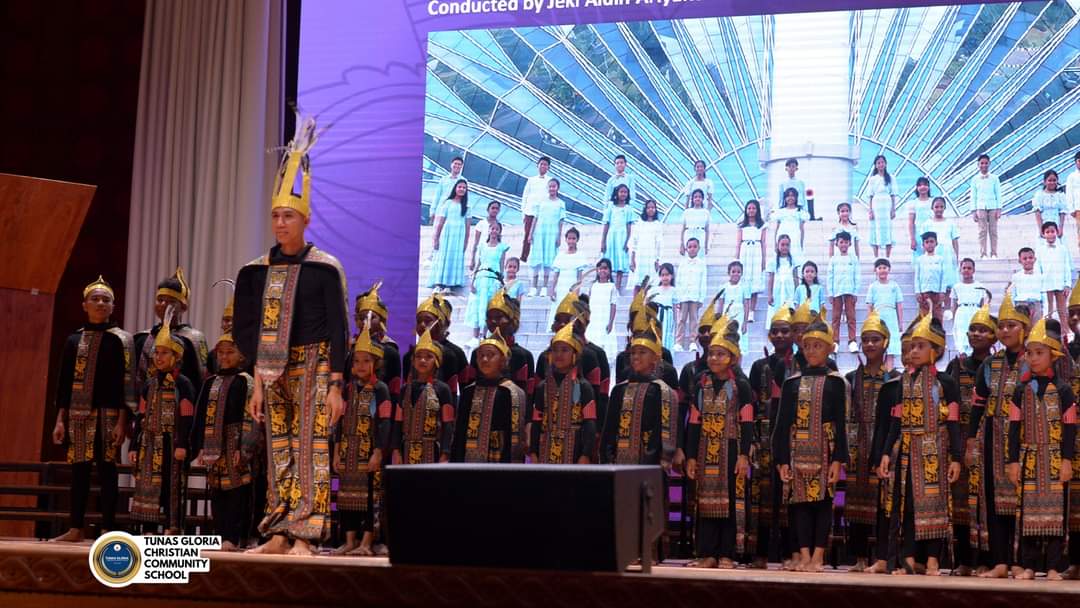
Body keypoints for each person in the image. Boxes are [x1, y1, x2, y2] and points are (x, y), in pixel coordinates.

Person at [232, 121, 350, 555]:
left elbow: (339, 328)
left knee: (312, 451)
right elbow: (247, 329)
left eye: (289, 216)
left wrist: (337, 387)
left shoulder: (324, 267)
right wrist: (258, 381)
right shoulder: (256, 271)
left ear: (306, 219)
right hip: (271, 367)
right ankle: (279, 530)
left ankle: (306, 533)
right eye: (276, 216)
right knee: (278, 449)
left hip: (316, 364)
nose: (281, 223)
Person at [49, 276, 133, 542]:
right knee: (80, 471)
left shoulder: (122, 340)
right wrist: (59, 420)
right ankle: (75, 528)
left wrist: (123, 421)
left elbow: (128, 383)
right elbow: (63, 384)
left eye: (105, 300)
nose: (100, 303)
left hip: (110, 415)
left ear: (113, 306)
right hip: (78, 415)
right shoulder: (74, 340)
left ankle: (108, 529)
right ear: (84, 304)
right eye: (95, 299)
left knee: (108, 471)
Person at [878, 315, 963, 576]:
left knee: (934, 504)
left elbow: (953, 422)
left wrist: (956, 457)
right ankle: (909, 557)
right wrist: (885, 453)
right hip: (906, 450)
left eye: (920, 347)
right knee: (908, 505)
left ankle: (934, 559)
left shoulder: (946, 383)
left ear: (935, 351)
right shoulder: (904, 382)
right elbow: (895, 420)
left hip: (935, 450)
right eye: (911, 347)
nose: (913, 352)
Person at [772, 316, 848, 572]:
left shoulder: (837, 382)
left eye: (818, 346)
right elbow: (782, 425)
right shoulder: (792, 382)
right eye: (808, 346)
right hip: (796, 450)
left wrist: (838, 459)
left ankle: (818, 555)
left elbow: (843, 423)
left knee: (823, 504)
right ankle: (804, 554)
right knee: (800, 505)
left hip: (825, 450)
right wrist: (782, 460)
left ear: (829, 349)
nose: (812, 351)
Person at [1006, 318, 1076, 580]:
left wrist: (1067, 460)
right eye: (1030, 353)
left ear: (1053, 356)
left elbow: (1070, 429)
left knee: (1056, 514)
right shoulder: (1020, 391)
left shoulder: (1064, 391)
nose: (1033, 359)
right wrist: (1012, 461)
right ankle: (1028, 565)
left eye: (1040, 353)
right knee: (1027, 513)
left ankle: (1054, 566)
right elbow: (1014, 429)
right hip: (1030, 457)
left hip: (1055, 457)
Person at [967, 293, 1031, 578]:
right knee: (994, 501)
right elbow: (978, 405)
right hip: (992, 437)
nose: (1005, 331)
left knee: (1022, 501)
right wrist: (970, 442)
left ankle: (1021, 561)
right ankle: (1000, 562)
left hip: (1026, 438)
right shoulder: (990, 365)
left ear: (1025, 329)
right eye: (1002, 326)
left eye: (1011, 326)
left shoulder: (1034, 360)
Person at [684, 315, 755, 568]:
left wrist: (744, 455)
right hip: (704, 449)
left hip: (731, 449)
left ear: (732, 358)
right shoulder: (701, 384)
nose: (714, 359)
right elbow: (693, 421)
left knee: (730, 502)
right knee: (704, 501)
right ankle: (707, 553)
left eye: (720, 354)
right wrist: (690, 455)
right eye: (711, 354)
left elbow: (747, 422)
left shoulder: (741, 386)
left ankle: (727, 553)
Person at [129, 315, 196, 534]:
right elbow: (140, 416)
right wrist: (133, 446)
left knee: (171, 486)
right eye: (156, 353)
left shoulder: (183, 384)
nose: (159, 357)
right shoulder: (149, 384)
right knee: (147, 486)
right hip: (148, 443)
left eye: (165, 352)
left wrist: (182, 444)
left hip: (171, 442)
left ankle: (171, 526)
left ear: (176, 356)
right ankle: (148, 528)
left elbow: (186, 416)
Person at [945, 302, 998, 576]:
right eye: (972, 330)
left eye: (983, 330)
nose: (976, 334)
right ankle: (965, 559)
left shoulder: (996, 367)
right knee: (962, 503)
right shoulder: (957, 365)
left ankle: (988, 561)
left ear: (994, 336)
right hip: (961, 441)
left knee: (986, 502)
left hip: (989, 441)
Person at [191, 327, 256, 551]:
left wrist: (244, 447)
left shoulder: (245, 381)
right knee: (217, 491)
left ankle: (234, 537)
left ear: (241, 356)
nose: (225, 357)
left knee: (237, 492)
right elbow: (200, 417)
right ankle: (220, 535)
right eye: (221, 353)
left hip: (234, 442)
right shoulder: (210, 382)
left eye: (230, 352)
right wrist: (199, 447)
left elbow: (249, 415)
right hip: (212, 442)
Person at [845, 311, 900, 573]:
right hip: (858, 446)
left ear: (886, 342)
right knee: (856, 503)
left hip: (884, 447)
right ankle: (858, 558)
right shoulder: (851, 379)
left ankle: (882, 556)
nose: (869, 344)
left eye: (875, 339)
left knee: (883, 503)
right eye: (865, 339)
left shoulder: (894, 379)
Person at [332, 319, 392, 556]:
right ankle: (349, 541)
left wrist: (379, 451)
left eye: (366, 360)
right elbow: (338, 423)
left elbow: (384, 423)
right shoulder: (347, 389)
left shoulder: (381, 390)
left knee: (370, 499)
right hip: (348, 450)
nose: (361, 365)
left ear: (376, 363)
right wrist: (336, 451)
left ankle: (367, 542)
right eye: (356, 361)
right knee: (347, 499)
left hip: (369, 451)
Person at [748, 304, 796, 567]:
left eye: (784, 331)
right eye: (775, 332)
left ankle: (791, 553)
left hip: (793, 437)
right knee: (764, 497)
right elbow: (754, 405)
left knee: (791, 495)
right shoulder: (759, 367)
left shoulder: (800, 364)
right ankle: (762, 553)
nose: (779, 336)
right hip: (766, 435)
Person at [602, 315, 678, 468]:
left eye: (642, 352)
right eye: (633, 353)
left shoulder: (662, 391)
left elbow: (660, 435)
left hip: (649, 464)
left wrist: (648, 462)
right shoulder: (619, 390)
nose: (636, 357)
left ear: (655, 358)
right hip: (619, 462)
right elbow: (609, 430)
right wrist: (607, 458)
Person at [530, 320, 598, 464]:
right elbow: (536, 422)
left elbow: (589, 423)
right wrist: (533, 451)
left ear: (575, 355)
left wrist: (585, 454)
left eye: (564, 350)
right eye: (555, 350)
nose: (558, 354)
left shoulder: (583, 387)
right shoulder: (543, 386)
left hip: (574, 450)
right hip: (545, 448)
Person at [134, 267, 209, 399]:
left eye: (171, 301)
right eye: (160, 299)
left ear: (184, 306)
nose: (164, 304)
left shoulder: (193, 339)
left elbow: (201, 381)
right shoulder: (141, 338)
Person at [454, 329, 527, 464]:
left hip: (499, 460)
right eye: (481, 355)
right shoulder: (469, 392)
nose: (484, 359)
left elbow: (514, 438)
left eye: (490, 355)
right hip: (468, 462)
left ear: (503, 360)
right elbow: (459, 433)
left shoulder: (512, 392)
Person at [398, 327, 455, 466]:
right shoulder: (405, 389)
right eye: (418, 356)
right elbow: (398, 422)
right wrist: (395, 450)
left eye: (428, 357)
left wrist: (445, 453)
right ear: (413, 360)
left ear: (436, 362)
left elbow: (448, 424)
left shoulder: (443, 389)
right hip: (406, 450)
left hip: (432, 450)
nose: (423, 360)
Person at [466, 220, 509, 348]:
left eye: (497, 229)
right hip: (481, 278)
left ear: (499, 231)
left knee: (488, 307)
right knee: (477, 305)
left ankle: (483, 335)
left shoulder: (502, 247)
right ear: (489, 230)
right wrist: (472, 281)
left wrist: (502, 281)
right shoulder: (482, 246)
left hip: (493, 279)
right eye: (492, 228)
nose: (494, 231)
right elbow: (478, 264)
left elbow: (502, 265)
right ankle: (475, 336)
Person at [428, 179, 469, 293]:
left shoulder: (467, 207)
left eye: (464, 188)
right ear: (455, 188)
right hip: (446, 236)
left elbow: (467, 228)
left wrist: (466, 243)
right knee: (443, 258)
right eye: (459, 187)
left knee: (453, 259)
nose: (461, 189)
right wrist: (436, 238)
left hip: (458, 238)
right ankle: (438, 284)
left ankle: (449, 284)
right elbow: (440, 222)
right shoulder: (447, 203)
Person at [918, 197, 960, 310]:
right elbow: (924, 242)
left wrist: (956, 257)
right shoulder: (927, 224)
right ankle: (936, 307)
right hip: (933, 253)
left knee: (948, 282)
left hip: (947, 253)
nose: (939, 209)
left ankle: (947, 308)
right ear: (932, 208)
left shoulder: (950, 223)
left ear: (945, 208)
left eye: (941, 207)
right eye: (936, 207)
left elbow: (955, 241)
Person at [528, 178, 567, 297]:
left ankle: (544, 287)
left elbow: (561, 221)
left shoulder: (561, 203)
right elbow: (535, 218)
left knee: (548, 261)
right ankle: (533, 287)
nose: (552, 188)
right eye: (550, 186)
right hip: (539, 233)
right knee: (536, 260)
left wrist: (559, 236)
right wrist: (530, 233)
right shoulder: (541, 201)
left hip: (552, 233)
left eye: (554, 186)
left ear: (557, 188)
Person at [866, 258, 904, 366]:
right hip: (878, 317)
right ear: (875, 270)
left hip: (891, 318)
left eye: (885, 268)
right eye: (880, 268)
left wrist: (900, 323)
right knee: (878, 346)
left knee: (890, 348)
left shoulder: (894, 286)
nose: (882, 270)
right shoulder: (873, 286)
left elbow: (899, 305)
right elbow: (869, 305)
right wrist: (870, 322)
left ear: (889, 269)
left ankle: (889, 373)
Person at [827, 231, 860, 353]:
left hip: (850, 291)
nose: (843, 244)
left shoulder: (854, 258)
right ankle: (835, 341)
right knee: (836, 317)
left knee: (851, 317)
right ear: (837, 243)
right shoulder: (833, 259)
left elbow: (857, 275)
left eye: (846, 242)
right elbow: (830, 276)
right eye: (841, 242)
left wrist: (855, 292)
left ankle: (852, 341)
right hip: (837, 291)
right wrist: (830, 293)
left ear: (850, 243)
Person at [736, 200, 767, 323]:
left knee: (755, 283)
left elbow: (764, 243)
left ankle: (751, 312)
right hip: (745, 252)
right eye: (749, 208)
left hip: (756, 252)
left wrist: (764, 259)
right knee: (745, 282)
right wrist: (737, 259)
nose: (751, 211)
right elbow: (738, 243)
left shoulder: (762, 226)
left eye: (753, 208)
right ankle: (744, 308)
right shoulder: (741, 225)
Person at [1037, 221, 1073, 327]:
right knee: (1048, 309)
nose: (1050, 234)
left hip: (1060, 283)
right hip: (1046, 283)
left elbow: (1067, 267)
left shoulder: (1062, 249)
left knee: (1062, 310)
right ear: (1043, 234)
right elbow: (1038, 268)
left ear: (1057, 232)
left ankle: (1065, 331)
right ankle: (1048, 332)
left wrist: (1067, 284)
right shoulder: (1040, 250)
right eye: (1047, 232)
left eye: (1052, 231)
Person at [950, 259, 990, 356]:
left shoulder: (980, 286)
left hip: (974, 312)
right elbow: (953, 304)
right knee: (961, 337)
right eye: (964, 268)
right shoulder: (956, 287)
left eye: (969, 268)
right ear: (960, 270)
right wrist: (954, 318)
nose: (966, 270)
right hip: (962, 312)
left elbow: (984, 304)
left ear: (973, 270)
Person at [548, 227, 588, 321]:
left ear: (577, 240)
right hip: (561, 285)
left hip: (572, 285)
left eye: (573, 238)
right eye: (569, 238)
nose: (571, 241)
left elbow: (579, 276)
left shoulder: (580, 255)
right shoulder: (560, 255)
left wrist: (577, 291)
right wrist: (552, 289)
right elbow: (556, 275)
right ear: (566, 239)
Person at [601, 184, 635, 294]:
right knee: (609, 262)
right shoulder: (611, 206)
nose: (623, 194)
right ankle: (608, 285)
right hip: (612, 236)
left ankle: (618, 287)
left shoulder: (629, 209)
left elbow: (629, 226)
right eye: (621, 192)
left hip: (623, 236)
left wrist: (627, 242)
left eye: (625, 192)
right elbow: (606, 223)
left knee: (620, 263)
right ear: (617, 193)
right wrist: (603, 240)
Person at [676, 238, 708, 352]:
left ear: (699, 248)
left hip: (695, 296)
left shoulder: (701, 264)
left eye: (695, 246)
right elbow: (678, 281)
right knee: (681, 319)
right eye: (690, 247)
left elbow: (703, 282)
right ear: (686, 249)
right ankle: (679, 342)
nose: (692, 249)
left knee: (694, 320)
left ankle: (693, 342)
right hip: (683, 296)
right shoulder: (682, 263)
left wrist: (701, 298)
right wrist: (678, 298)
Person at [520, 157, 552, 262]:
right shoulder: (531, 180)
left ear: (548, 167)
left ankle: (540, 257)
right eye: (541, 164)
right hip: (530, 211)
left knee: (541, 235)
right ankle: (524, 257)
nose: (543, 166)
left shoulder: (550, 181)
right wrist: (523, 212)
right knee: (527, 235)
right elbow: (525, 195)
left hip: (543, 212)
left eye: (545, 165)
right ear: (537, 165)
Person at [969, 154, 1002, 259]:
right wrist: (973, 211)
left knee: (993, 230)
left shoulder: (995, 178)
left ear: (989, 164)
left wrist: (999, 209)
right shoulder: (974, 179)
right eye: (982, 163)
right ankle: (983, 253)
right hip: (980, 207)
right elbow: (973, 195)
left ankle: (994, 253)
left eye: (986, 163)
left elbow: (998, 194)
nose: (984, 165)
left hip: (993, 206)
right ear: (978, 165)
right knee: (982, 231)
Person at [586, 258, 618, 363]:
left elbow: (613, 305)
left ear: (609, 270)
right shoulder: (593, 286)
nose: (602, 271)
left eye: (605, 268)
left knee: (604, 342)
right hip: (594, 318)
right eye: (600, 268)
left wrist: (611, 322)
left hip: (605, 318)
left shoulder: (612, 287)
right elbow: (588, 303)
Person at [913, 231, 948, 322]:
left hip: (937, 292)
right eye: (927, 242)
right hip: (924, 292)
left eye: (932, 241)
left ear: (936, 243)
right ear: (923, 244)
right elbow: (917, 277)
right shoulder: (920, 260)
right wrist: (918, 292)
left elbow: (943, 276)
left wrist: (942, 292)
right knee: (924, 318)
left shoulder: (940, 259)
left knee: (937, 317)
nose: (929, 244)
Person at [630, 199, 664, 287]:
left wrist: (657, 260)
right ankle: (637, 301)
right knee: (638, 283)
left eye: (653, 207)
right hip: (640, 256)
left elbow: (659, 244)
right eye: (648, 207)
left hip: (651, 256)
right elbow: (634, 241)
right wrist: (632, 259)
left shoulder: (657, 224)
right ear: (645, 209)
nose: (651, 209)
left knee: (650, 283)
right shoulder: (640, 223)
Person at [1006, 247, 1044, 323]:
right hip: (1021, 304)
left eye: (1030, 258)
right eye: (1025, 258)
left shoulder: (1041, 276)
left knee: (1036, 328)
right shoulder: (1016, 276)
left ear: (1035, 259)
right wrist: (1013, 308)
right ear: (1020, 261)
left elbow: (1044, 293)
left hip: (1036, 304)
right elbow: (1012, 294)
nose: (1028, 260)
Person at [773, 187, 809, 266]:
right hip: (782, 234)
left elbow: (802, 229)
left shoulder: (800, 212)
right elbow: (777, 227)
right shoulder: (781, 212)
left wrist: (801, 242)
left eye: (792, 196)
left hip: (795, 236)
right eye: (788, 196)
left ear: (796, 198)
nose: (790, 198)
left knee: (795, 256)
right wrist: (775, 243)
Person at [716, 261, 749, 344]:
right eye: (733, 272)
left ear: (742, 273)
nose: (736, 274)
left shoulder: (744, 287)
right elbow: (720, 305)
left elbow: (746, 305)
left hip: (739, 316)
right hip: (727, 315)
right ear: (728, 273)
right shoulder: (723, 287)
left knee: (739, 339)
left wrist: (745, 323)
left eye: (738, 272)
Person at [767, 234, 798, 323]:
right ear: (778, 245)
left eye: (787, 245)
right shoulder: (773, 261)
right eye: (782, 245)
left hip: (789, 290)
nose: (785, 247)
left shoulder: (793, 260)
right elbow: (771, 279)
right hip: (777, 290)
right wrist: (769, 294)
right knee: (777, 309)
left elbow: (795, 278)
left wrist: (797, 293)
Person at [427, 156, 464, 225]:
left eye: (459, 164)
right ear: (451, 165)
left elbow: (465, 198)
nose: (457, 166)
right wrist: (432, 211)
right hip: (441, 210)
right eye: (455, 163)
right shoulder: (443, 179)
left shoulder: (463, 181)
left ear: (461, 166)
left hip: (455, 212)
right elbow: (437, 196)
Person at [1032, 169, 1068, 239]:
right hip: (1044, 222)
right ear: (1045, 182)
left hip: (1056, 222)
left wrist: (1061, 228)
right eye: (1049, 180)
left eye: (1054, 180)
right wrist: (1041, 229)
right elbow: (1037, 213)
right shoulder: (1039, 194)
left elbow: (1062, 213)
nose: (1052, 182)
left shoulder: (1060, 195)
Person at [468, 200, 502, 270]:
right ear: (488, 209)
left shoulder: (499, 225)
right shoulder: (481, 223)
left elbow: (499, 242)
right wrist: (472, 259)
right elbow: (476, 243)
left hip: (493, 255)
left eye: (497, 208)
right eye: (493, 208)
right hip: (481, 254)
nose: (495, 210)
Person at [908, 177, 934, 259]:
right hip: (918, 234)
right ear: (917, 188)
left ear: (929, 187)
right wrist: (912, 239)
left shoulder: (933, 202)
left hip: (932, 232)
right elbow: (911, 222)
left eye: (925, 185)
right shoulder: (913, 203)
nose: (923, 187)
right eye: (920, 185)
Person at [654, 264, 677, 354]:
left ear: (672, 276)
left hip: (669, 316)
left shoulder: (674, 290)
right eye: (662, 275)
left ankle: (667, 356)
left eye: (667, 275)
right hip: (658, 316)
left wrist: (675, 321)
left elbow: (675, 308)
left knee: (667, 337)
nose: (665, 277)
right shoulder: (655, 290)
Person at [681, 189, 711, 254]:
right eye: (695, 197)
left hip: (701, 235)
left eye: (700, 197)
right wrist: (682, 245)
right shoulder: (687, 212)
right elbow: (683, 229)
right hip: (689, 234)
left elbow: (707, 230)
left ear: (703, 199)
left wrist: (706, 246)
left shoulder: (706, 212)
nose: (697, 199)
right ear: (692, 199)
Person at [777, 158, 806, 223]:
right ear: (786, 168)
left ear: (796, 168)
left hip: (799, 208)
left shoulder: (801, 183)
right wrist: (780, 209)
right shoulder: (782, 183)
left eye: (793, 166)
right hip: (786, 208)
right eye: (789, 166)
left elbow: (803, 197)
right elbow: (781, 198)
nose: (791, 168)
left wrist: (805, 210)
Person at [1068, 151, 1080, 246]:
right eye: (1079, 161)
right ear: (1075, 162)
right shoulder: (1071, 177)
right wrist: (1071, 209)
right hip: (1078, 208)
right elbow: (1069, 193)